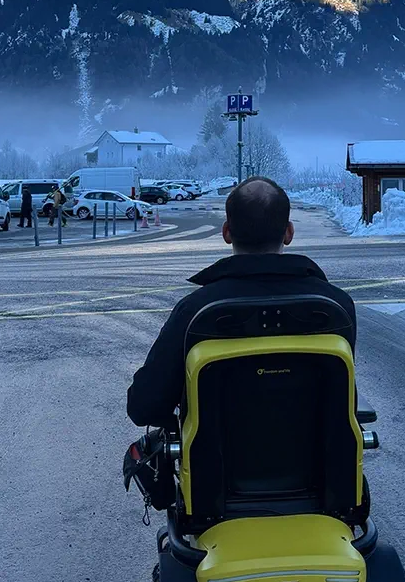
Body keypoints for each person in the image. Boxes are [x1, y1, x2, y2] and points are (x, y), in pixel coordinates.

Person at [127, 177, 356, 428]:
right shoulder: (335, 305)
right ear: (289, 232)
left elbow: (144, 408)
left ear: (226, 232)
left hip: (214, 466)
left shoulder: (195, 310)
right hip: (324, 465)